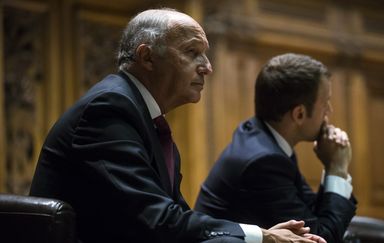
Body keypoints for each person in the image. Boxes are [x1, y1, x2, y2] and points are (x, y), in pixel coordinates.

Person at [29, 9, 326, 243]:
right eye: (192, 52)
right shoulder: (108, 110)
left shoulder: (144, 116)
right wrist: (261, 236)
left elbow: (176, 218)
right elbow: (158, 221)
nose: (207, 66)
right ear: (147, 57)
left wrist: (261, 234)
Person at [195, 53, 357, 243]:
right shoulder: (263, 161)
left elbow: (312, 215)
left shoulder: (265, 140)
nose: (329, 111)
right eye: (325, 103)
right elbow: (321, 239)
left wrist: (332, 170)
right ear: (299, 114)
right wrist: (337, 169)